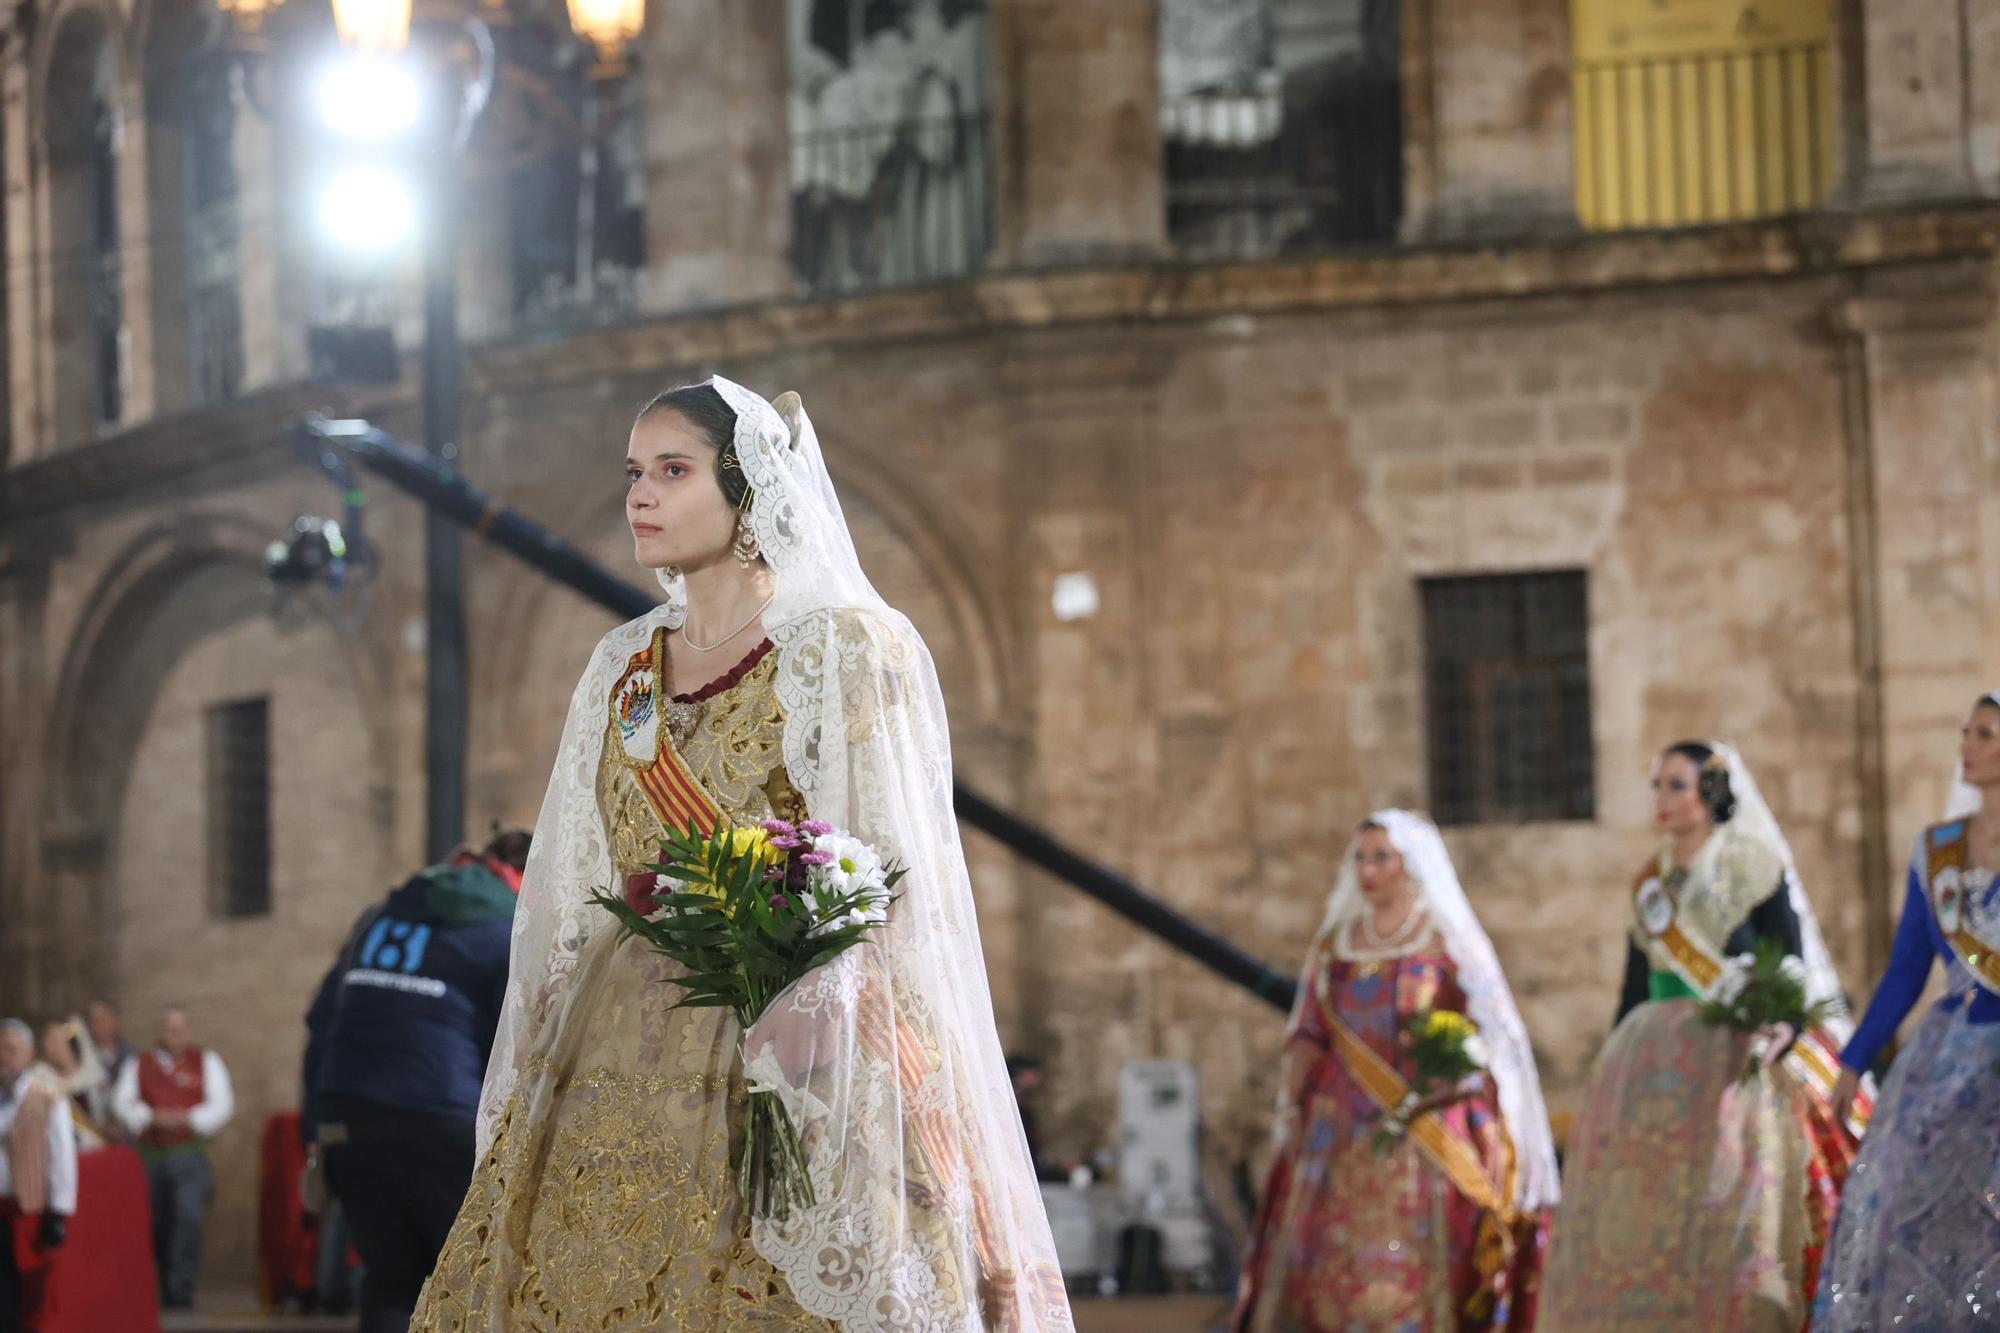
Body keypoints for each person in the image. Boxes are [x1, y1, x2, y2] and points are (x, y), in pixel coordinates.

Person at [411, 378, 1068, 1330]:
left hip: (792, 1033)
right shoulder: (620, 665)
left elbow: (890, 871)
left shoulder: (846, 647)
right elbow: (582, 869)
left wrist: (825, 1010)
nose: (640, 495)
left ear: (747, 485)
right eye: (635, 472)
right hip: (611, 1045)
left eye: (672, 471)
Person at [1537, 741, 1861, 1331]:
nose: (1661, 799)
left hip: (1738, 1055)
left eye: (1676, 786)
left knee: (1743, 1198)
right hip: (1659, 1058)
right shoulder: (1649, 884)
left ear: (1709, 793)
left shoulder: (1753, 864)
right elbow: (1634, 988)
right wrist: (1613, 1073)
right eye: (1657, 786)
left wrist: (1780, 1025)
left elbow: (1788, 959)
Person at [1230, 811, 1557, 1332]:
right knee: (1329, 1251)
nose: (1368, 869)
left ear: (1411, 864)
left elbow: (1491, 1030)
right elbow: (1310, 1032)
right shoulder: (1336, 945)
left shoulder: (1443, 943)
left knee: (1424, 1251)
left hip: (1425, 1123)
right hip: (1337, 1126)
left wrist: (1459, 1075)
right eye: (1361, 857)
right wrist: (1292, 1105)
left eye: (1382, 856)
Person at [1812, 689, 2000, 1327]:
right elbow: (1905, 971)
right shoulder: (1939, 848)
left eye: (1986, 734)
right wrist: (1853, 1059)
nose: (1967, 747)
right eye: (1968, 732)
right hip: (1946, 1062)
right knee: (1910, 1200)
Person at [301, 828, 527, 1333]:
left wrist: (314, 1130)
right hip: (439, 1116)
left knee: (390, 1283)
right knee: (466, 1279)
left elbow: (321, 1020)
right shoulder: (505, 929)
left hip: (348, 1112)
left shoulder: (380, 915)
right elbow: (512, 1046)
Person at [113, 1005, 235, 1310]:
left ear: (189, 1031)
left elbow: (222, 1104)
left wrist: (187, 1119)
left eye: (181, 1028)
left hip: (188, 1153)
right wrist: (150, 1117)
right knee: (157, 1222)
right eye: (170, 1028)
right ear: (160, 1032)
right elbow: (122, 1101)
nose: (176, 1034)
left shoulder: (206, 1061)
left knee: (188, 1216)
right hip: (149, 1155)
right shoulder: (138, 1063)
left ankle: (181, 1289)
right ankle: (164, 1282)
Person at [0, 1019, 76, 1333]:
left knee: (26, 1292)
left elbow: (62, 1155)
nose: (3, 1057)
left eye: (11, 1050)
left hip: (26, 1209)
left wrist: (59, 1210)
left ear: (29, 1055)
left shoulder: (46, 1096)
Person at [27, 1021, 106, 1148]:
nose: (47, 1045)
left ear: (69, 1044)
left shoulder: (91, 1080)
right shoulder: (39, 1076)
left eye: (54, 1040)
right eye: (46, 1040)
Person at [82, 1002, 133, 1144]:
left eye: (105, 1019)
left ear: (115, 1020)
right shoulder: (83, 1059)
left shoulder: (131, 1056)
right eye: (96, 1021)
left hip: (127, 1128)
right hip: (96, 1128)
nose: (101, 1025)